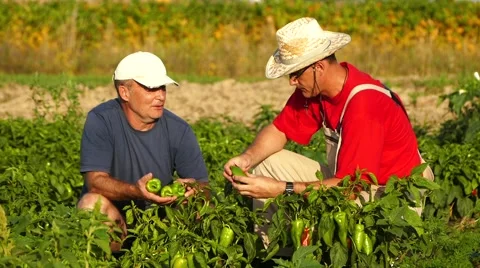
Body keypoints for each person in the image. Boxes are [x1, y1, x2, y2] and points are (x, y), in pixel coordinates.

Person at [223, 17, 434, 223]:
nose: (291, 82)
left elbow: (350, 189)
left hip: (390, 196)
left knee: (338, 211)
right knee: (266, 161)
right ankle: (277, 255)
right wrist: (247, 158)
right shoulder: (316, 90)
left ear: (319, 67)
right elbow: (280, 130)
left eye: (295, 74)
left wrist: (281, 188)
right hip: (349, 182)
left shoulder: (364, 105)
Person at [77, 51, 209, 251]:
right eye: (151, 88)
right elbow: (94, 183)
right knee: (90, 204)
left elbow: (205, 188)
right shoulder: (102, 120)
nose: (161, 96)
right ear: (124, 92)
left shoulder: (178, 129)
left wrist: (195, 189)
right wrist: (136, 191)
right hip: (118, 221)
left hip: (160, 225)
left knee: (198, 207)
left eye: (162, 88)